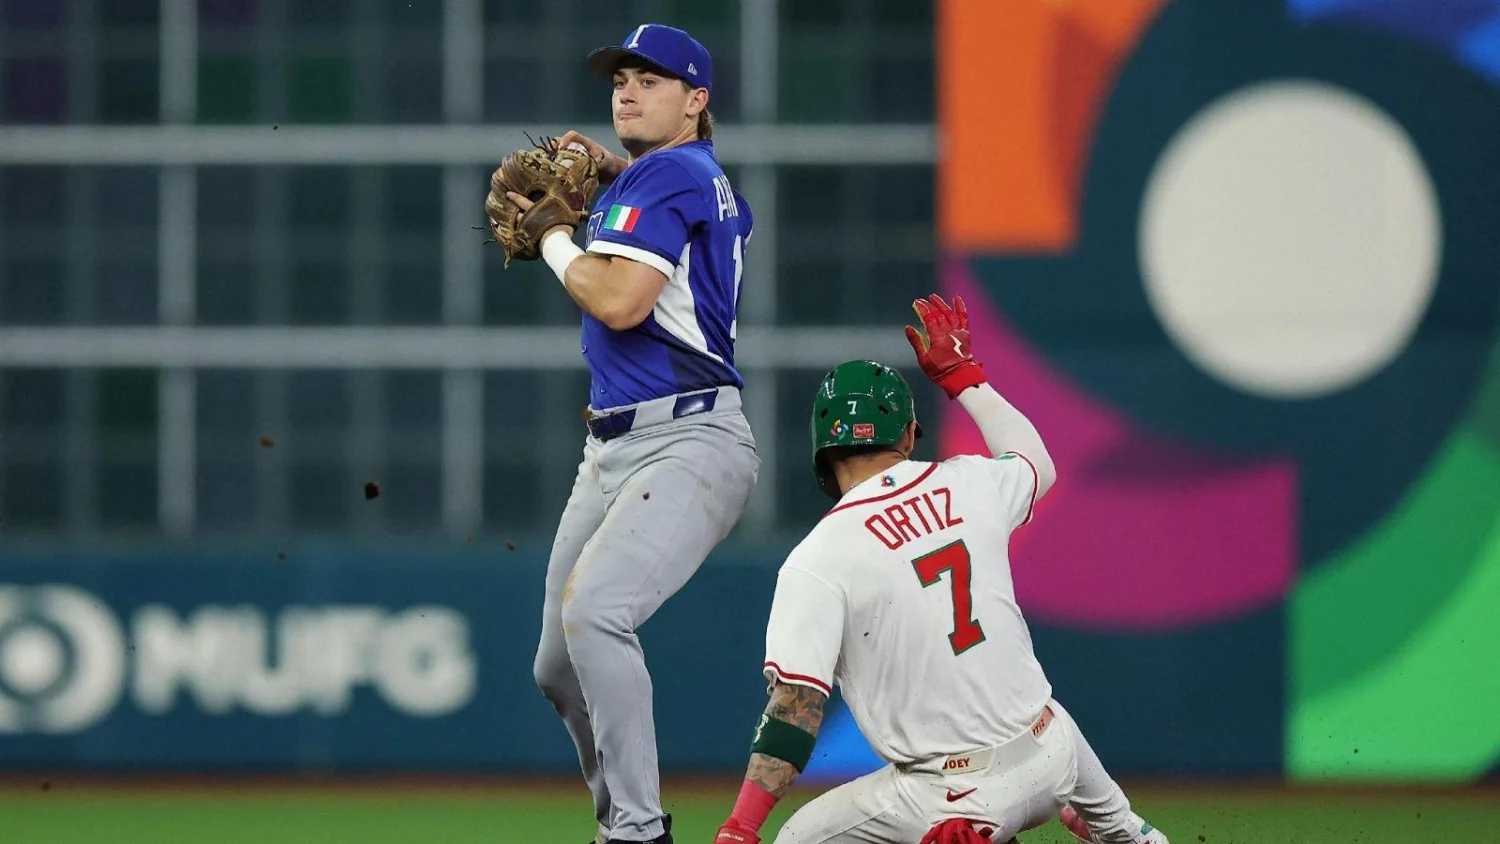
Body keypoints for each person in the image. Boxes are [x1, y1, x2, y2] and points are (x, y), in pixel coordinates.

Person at [711, 295, 1170, 844]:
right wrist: (964, 377)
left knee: (795, 840)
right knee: (1129, 835)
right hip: (1055, 749)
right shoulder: (969, 483)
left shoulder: (817, 558)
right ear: (907, 436)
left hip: (950, 795)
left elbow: (796, 710)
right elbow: (1037, 464)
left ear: (822, 453)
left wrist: (741, 826)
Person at [492, 23, 758, 844]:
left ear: (697, 100)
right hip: (613, 446)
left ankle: (638, 833)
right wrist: (615, 175)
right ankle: (623, 825)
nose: (628, 90)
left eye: (652, 79)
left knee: (598, 613)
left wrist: (551, 236)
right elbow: (731, 213)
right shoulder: (684, 176)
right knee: (556, 666)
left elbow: (618, 303)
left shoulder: (674, 172)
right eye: (621, 80)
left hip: (688, 439)